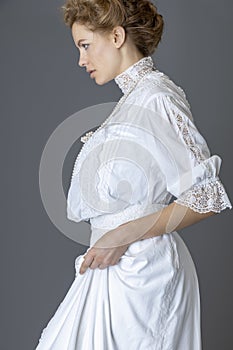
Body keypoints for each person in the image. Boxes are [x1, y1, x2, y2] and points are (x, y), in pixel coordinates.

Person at [35, 0, 232, 349]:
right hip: (112, 268)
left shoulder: (157, 97)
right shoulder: (132, 103)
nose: (81, 60)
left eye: (85, 45)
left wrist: (124, 234)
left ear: (116, 35)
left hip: (144, 274)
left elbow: (207, 197)